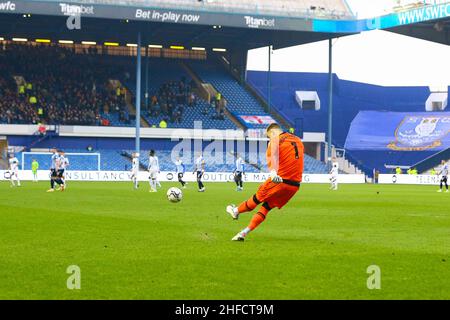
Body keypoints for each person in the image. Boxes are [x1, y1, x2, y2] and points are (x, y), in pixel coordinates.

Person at [226, 123, 304, 241]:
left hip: (279, 180)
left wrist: (273, 174)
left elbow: (271, 159)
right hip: (294, 185)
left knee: (256, 199)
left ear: (272, 133)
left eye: (269, 136)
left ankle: (236, 211)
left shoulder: (274, 141)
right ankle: (243, 233)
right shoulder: (298, 140)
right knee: (266, 207)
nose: (269, 139)